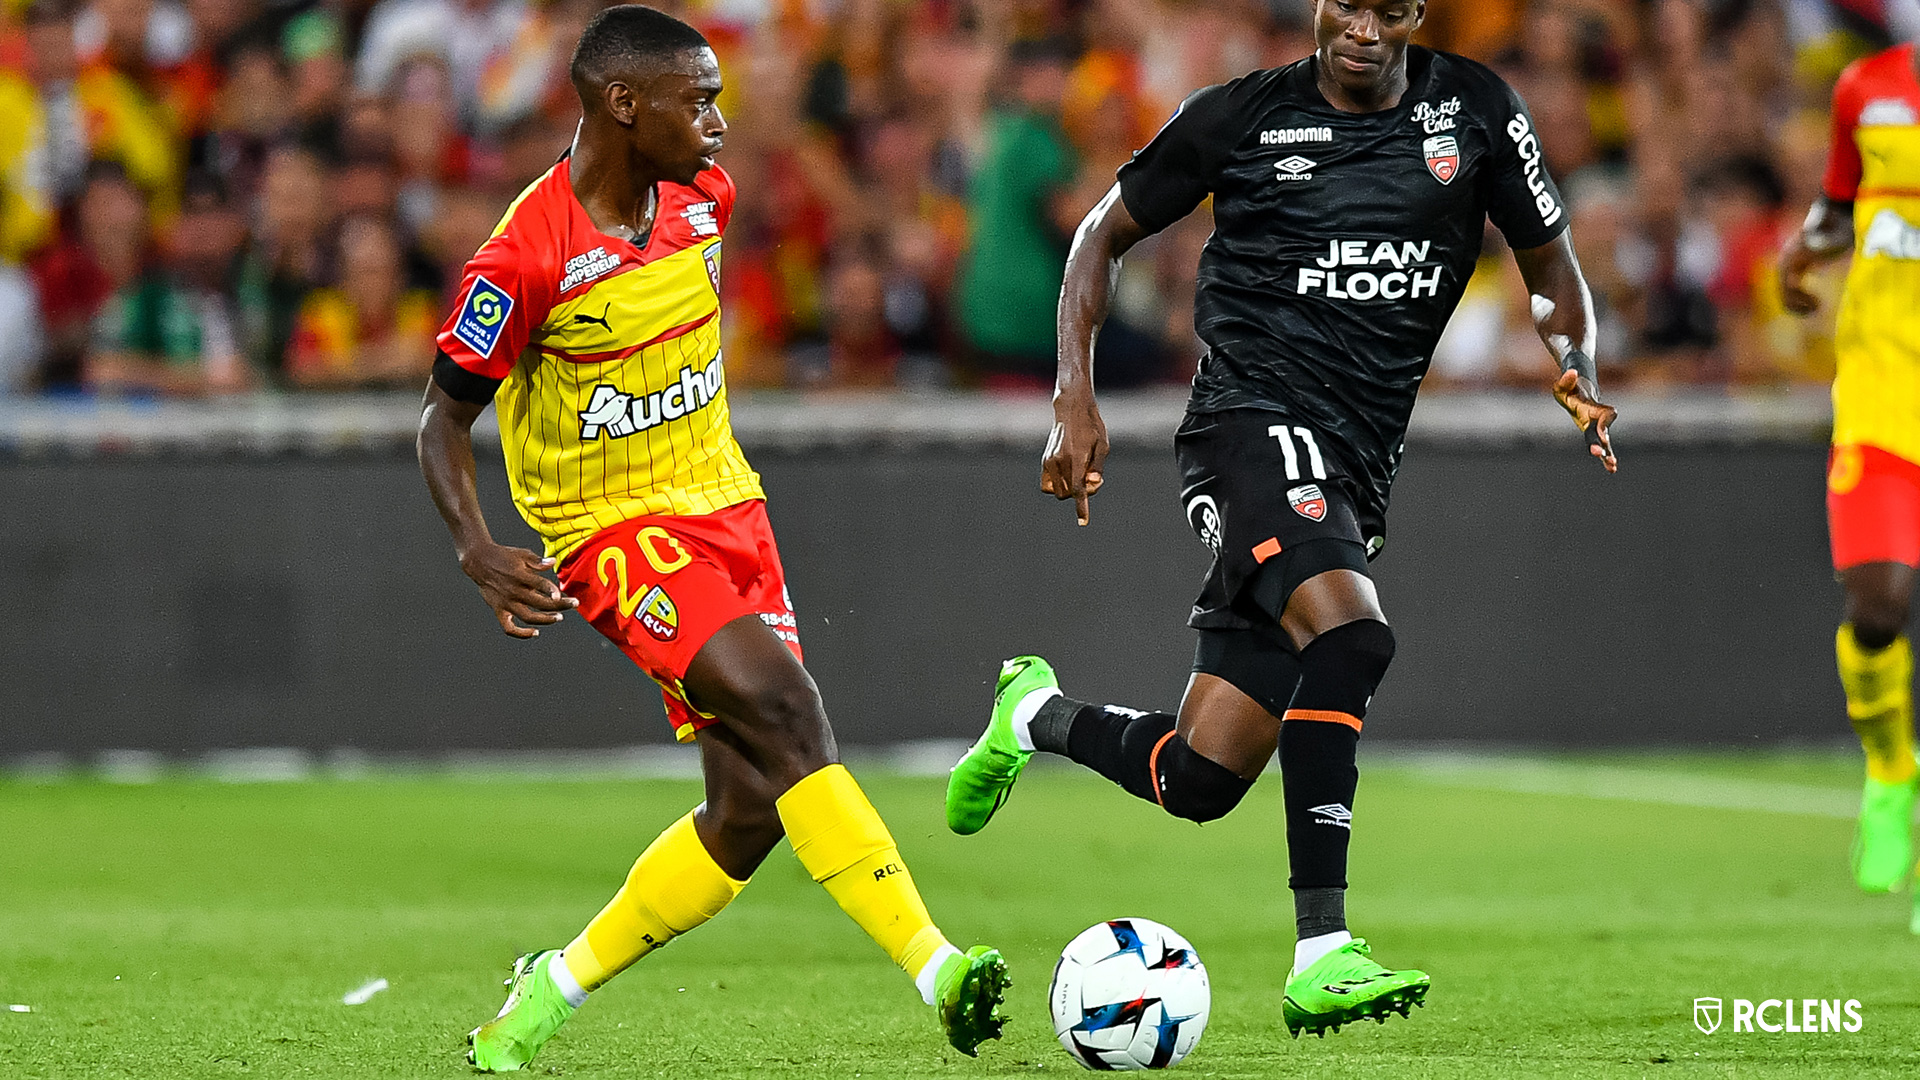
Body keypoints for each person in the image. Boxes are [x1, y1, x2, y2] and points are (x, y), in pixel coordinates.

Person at [946, 0, 1617, 1040]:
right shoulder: (1239, 117)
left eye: (1385, 7)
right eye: (1343, 1)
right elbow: (1098, 234)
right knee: (1352, 635)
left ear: (1415, 14)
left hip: (1355, 460)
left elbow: (1551, 267)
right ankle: (1322, 952)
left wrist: (1576, 368)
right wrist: (1071, 397)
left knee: (1201, 776)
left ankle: (1033, 715)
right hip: (1249, 424)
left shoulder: (1477, 111)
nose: (1360, 23)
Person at [414, 7, 1008, 1072]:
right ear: (621, 104)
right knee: (788, 709)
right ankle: (939, 968)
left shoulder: (702, 196)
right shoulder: (520, 260)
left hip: (727, 503)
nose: (719, 122)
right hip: (609, 530)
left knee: (747, 813)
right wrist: (476, 544)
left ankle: (547, 990)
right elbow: (441, 420)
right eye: (699, 99)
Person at [1779, 37, 1920, 923]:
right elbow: (1840, 206)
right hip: (1881, 391)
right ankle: (1891, 771)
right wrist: (1803, 251)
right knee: (1878, 602)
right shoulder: (1867, 87)